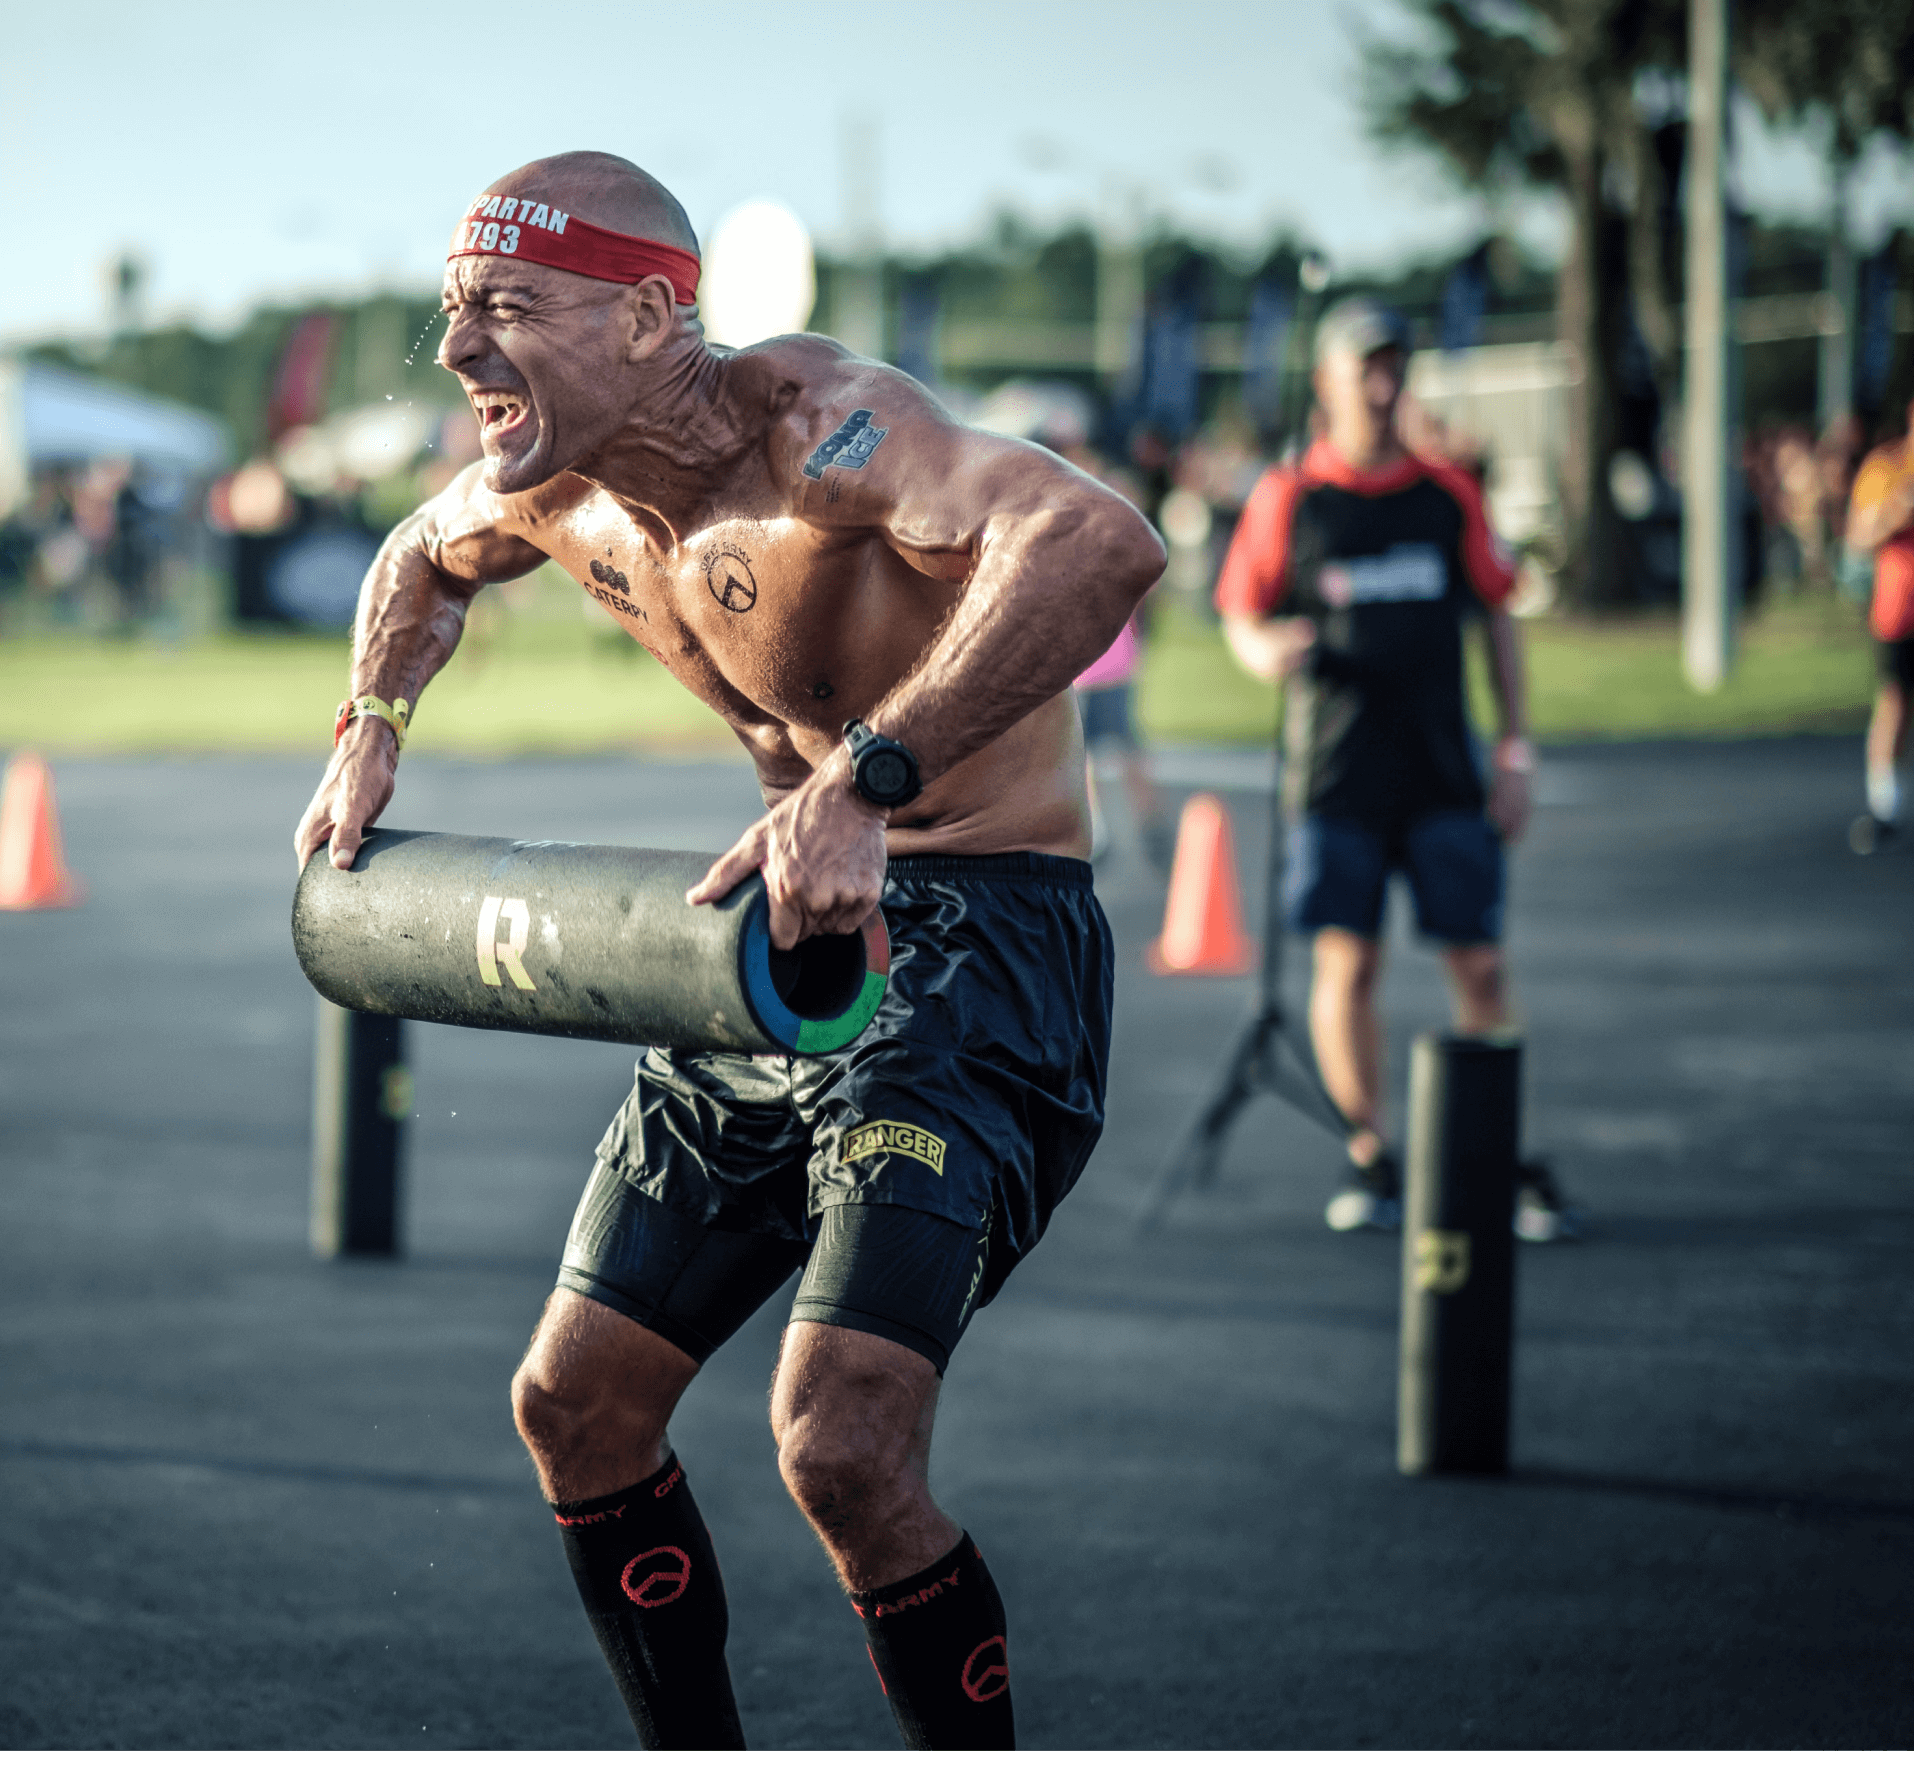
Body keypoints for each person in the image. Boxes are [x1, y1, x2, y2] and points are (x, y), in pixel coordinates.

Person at [292, 151, 1164, 1750]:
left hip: (979, 941)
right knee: (573, 1408)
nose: (458, 348)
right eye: (452, 310)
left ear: (645, 318)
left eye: (506, 308)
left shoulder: (822, 433)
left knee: (838, 1447)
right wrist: (372, 721)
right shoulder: (552, 487)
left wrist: (864, 779)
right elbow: (416, 556)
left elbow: (1098, 540)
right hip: (779, 937)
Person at [1212, 296, 1573, 1242]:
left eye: (1393, 366)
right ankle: (1370, 1151)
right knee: (1350, 961)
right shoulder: (1292, 495)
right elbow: (1240, 611)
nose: (1382, 384)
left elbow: (1497, 615)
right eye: (1364, 367)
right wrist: (1262, 648)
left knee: (1481, 962)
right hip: (1337, 773)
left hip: (1442, 767)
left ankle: (1494, 1156)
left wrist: (1516, 749)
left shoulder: (1445, 493)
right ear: (1327, 382)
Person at [1844, 394, 1914, 854]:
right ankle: (1884, 804)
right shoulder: (1886, 469)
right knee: (1894, 702)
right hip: (1899, 611)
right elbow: (1857, 538)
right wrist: (1897, 512)